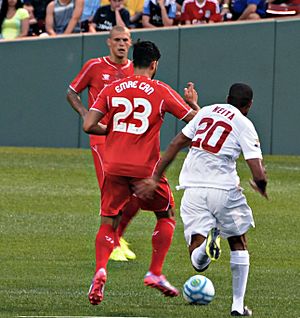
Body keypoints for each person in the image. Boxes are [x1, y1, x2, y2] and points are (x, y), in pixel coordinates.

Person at [82, 40, 200, 305]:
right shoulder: (160, 90)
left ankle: (100, 269)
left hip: (113, 166)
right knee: (165, 214)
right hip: (145, 170)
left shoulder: (112, 88)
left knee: (108, 222)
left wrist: (112, 132)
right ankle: (155, 272)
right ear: (155, 64)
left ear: (133, 62)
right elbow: (196, 123)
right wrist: (194, 103)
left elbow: (89, 125)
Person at [136, 83, 268, 316]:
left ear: (227, 98)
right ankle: (237, 306)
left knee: (198, 262)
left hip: (193, 189)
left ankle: (206, 249)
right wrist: (261, 184)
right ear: (249, 105)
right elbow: (255, 165)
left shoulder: (206, 111)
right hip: (224, 190)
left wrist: (155, 177)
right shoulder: (244, 124)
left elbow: (176, 143)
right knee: (238, 242)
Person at [67, 26, 138, 262]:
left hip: (126, 138)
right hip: (101, 136)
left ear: (130, 43)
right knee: (110, 189)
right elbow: (72, 92)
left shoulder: (134, 70)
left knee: (134, 191)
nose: (121, 43)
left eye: (125, 40)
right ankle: (112, 242)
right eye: (117, 39)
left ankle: (116, 237)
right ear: (109, 42)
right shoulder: (95, 66)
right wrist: (85, 114)